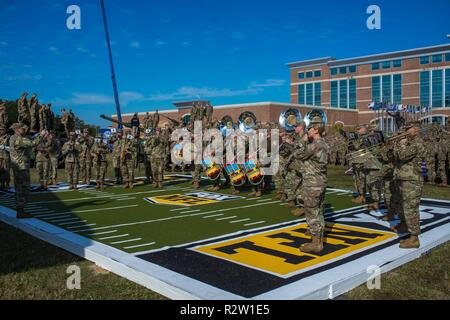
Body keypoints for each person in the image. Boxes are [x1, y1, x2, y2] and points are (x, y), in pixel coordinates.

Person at [291, 116, 329, 253]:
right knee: (318, 212)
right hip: (320, 181)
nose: (308, 131)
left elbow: (298, 154)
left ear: (316, 129)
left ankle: (316, 243)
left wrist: (303, 141)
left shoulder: (315, 145)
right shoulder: (323, 143)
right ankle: (317, 238)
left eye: (310, 128)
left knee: (312, 212)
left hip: (312, 183)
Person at [391, 121, 425, 249]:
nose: (405, 131)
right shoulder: (409, 143)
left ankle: (414, 237)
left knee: (411, 209)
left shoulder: (417, 143)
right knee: (402, 205)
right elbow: (395, 157)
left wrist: (401, 144)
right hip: (403, 179)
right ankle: (405, 225)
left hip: (412, 180)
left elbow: (403, 156)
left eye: (408, 129)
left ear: (415, 130)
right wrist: (395, 145)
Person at [9, 123, 42, 218]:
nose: (25, 130)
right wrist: (41, 135)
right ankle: (20, 210)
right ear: (17, 129)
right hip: (21, 167)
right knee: (23, 188)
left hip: (18, 166)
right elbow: (32, 143)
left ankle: (20, 209)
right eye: (23, 129)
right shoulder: (18, 138)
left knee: (19, 187)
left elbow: (29, 140)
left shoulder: (13, 138)